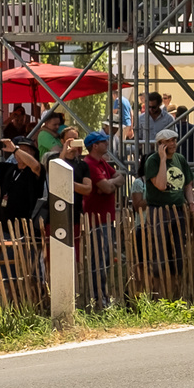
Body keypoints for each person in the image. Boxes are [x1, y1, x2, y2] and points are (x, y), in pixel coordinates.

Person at [142, 129, 194, 282]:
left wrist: (191, 202)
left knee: (179, 245)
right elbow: (161, 185)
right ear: (160, 145)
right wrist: (163, 160)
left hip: (177, 209)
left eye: (174, 140)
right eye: (168, 141)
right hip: (158, 210)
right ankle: (159, 281)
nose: (173, 144)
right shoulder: (152, 161)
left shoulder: (180, 159)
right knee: (159, 246)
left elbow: (187, 185)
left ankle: (177, 278)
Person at [79, 131, 122, 307]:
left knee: (105, 257)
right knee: (99, 259)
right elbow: (107, 187)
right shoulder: (90, 164)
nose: (107, 144)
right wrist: (110, 184)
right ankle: (99, 297)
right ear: (94, 146)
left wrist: (110, 183)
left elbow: (119, 176)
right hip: (96, 219)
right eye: (103, 142)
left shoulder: (102, 162)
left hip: (105, 217)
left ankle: (102, 295)